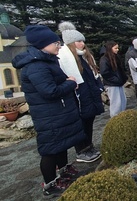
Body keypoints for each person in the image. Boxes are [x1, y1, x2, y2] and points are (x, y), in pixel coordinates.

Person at [12, 25, 85, 198]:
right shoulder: (36, 66)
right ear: (43, 45)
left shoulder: (47, 60)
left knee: (62, 144)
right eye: (56, 43)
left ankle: (63, 171)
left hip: (57, 113)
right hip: (49, 116)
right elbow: (49, 91)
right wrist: (70, 82)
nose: (59, 46)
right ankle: (50, 184)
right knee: (50, 150)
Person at [57, 21, 104, 163]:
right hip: (79, 97)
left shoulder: (84, 56)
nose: (82, 44)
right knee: (81, 124)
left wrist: (98, 87)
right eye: (78, 41)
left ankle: (89, 146)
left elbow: (92, 74)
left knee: (89, 122)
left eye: (82, 41)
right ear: (71, 43)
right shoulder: (65, 58)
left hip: (90, 95)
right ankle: (82, 151)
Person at [99, 41, 128, 117]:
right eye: (115, 48)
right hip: (112, 85)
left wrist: (123, 78)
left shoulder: (116, 57)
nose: (117, 50)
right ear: (110, 48)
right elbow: (105, 72)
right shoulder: (104, 59)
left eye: (117, 48)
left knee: (122, 101)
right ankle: (115, 120)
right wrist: (116, 79)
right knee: (116, 104)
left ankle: (122, 117)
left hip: (119, 83)